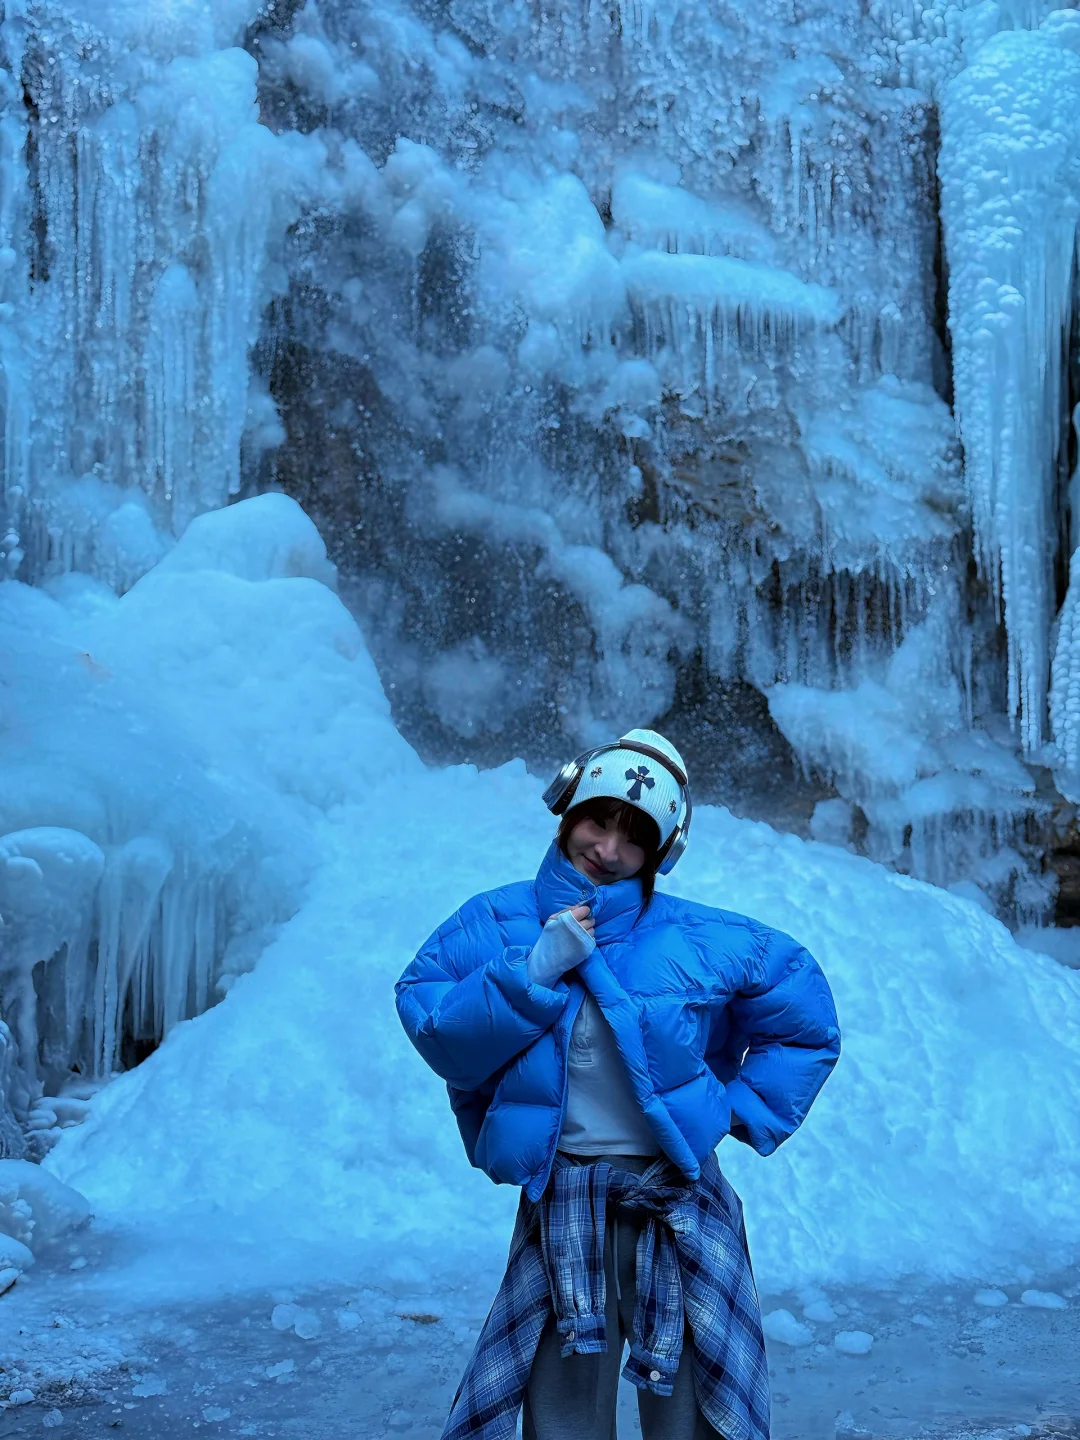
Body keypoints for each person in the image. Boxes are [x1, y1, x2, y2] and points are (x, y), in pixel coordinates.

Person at [395, 728, 840, 1440]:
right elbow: (435, 1026)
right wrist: (535, 969)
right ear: (567, 808)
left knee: (691, 1410)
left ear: (662, 854)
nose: (608, 850)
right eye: (599, 821)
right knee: (563, 1408)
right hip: (564, 1200)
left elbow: (806, 1020)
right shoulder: (493, 921)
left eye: (635, 838)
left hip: (677, 1202)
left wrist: (736, 1111)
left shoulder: (701, 937)